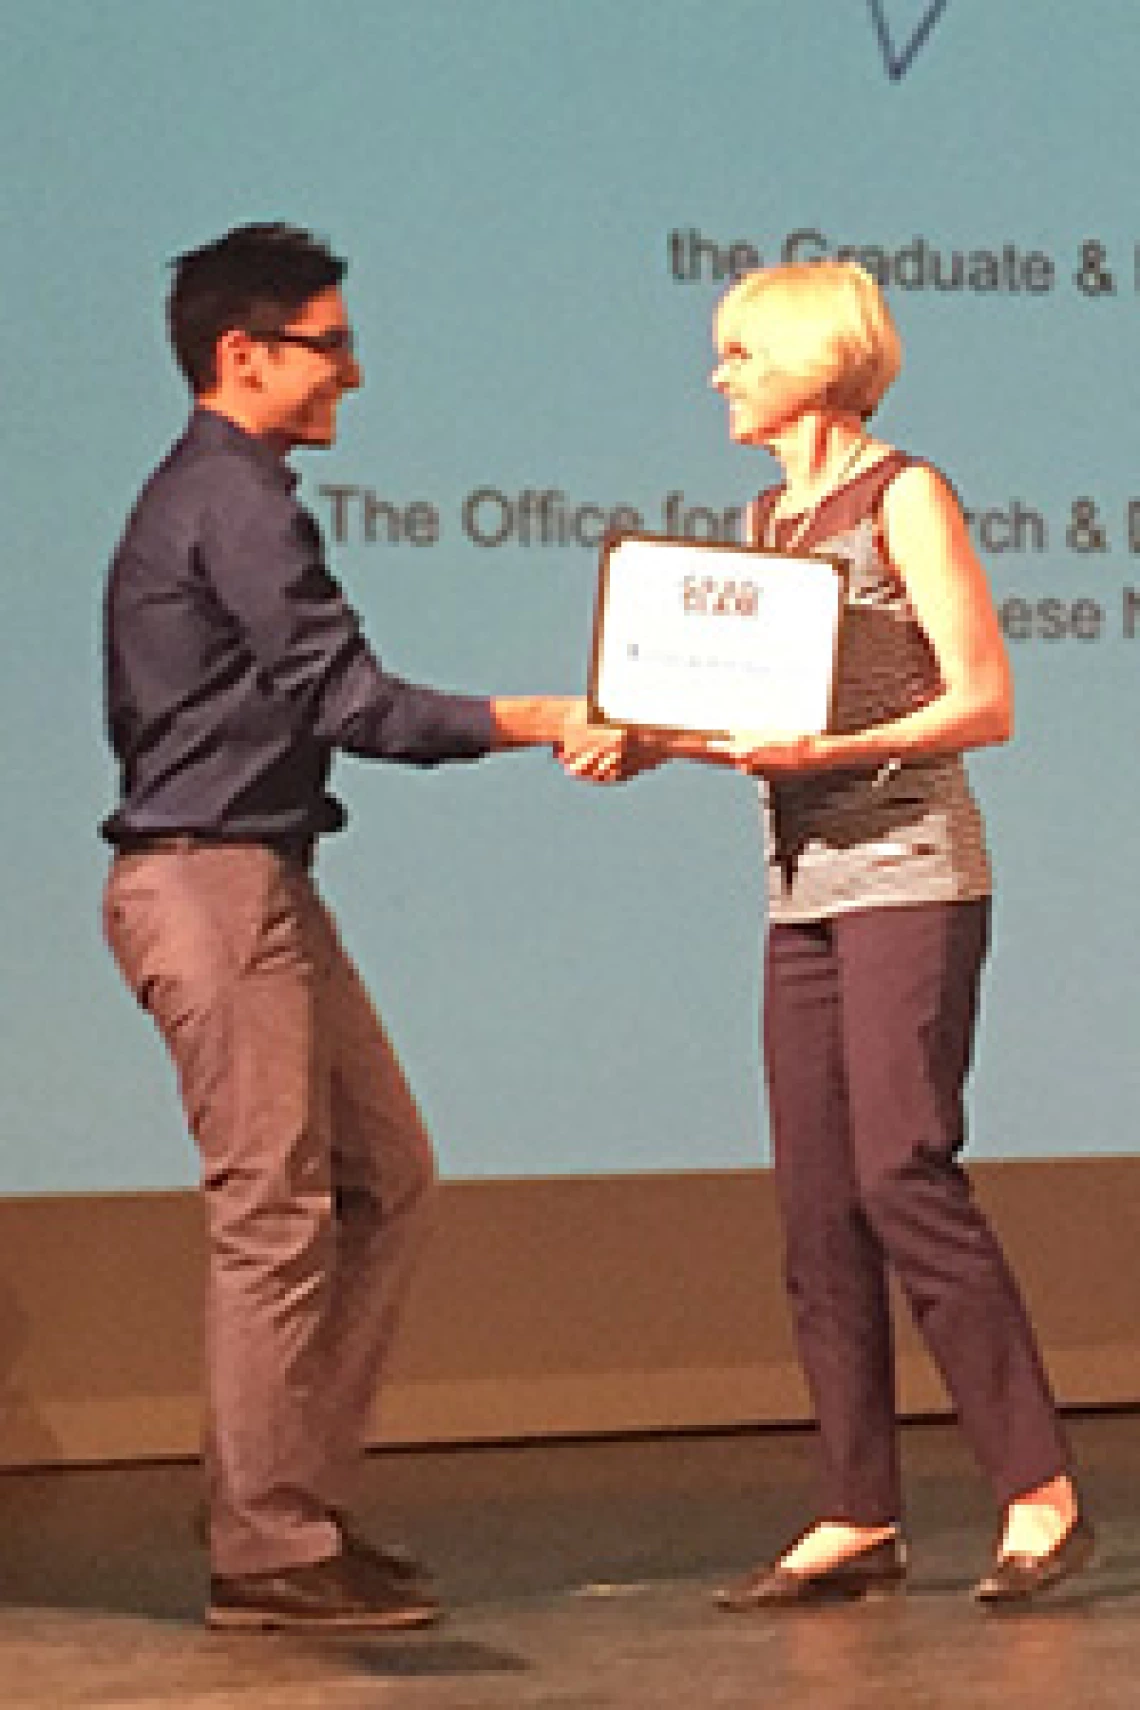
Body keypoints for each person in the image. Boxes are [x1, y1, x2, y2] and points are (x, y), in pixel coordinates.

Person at [101, 222, 615, 1632]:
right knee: (275, 1213)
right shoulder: (237, 500)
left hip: (261, 881)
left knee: (388, 1174)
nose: (356, 373)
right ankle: (265, 1545)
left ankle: (294, 1504)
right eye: (331, 345)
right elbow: (352, 703)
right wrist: (541, 715)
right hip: (211, 884)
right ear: (242, 354)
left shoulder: (228, 494)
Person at [569, 259, 1094, 1606]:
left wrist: (837, 743)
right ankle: (857, 1506)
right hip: (803, 886)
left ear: (814, 355)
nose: (720, 373)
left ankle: (1039, 1489)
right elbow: (767, 724)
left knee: (903, 1170)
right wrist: (654, 742)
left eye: (740, 349)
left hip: (911, 872)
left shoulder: (904, 492)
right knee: (816, 1202)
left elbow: (986, 699)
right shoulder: (767, 515)